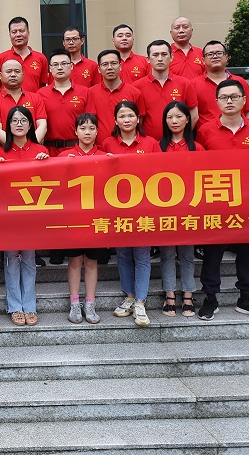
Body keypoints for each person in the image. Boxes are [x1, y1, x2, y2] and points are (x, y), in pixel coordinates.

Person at [196, 79, 249, 322]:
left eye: (234, 97)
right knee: (212, 252)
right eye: (224, 97)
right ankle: (210, 298)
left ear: (244, 100)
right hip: (216, 199)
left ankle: (246, 297)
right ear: (216, 102)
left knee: (248, 252)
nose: (229, 101)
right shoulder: (205, 130)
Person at [101, 101, 158, 327]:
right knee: (123, 254)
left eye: (131, 115)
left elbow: (161, 171)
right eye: (122, 116)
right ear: (115, 120)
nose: (126, 120)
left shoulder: (150, 143)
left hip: (144, 207)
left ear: (138, 119)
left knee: (142, 255)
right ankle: (130, 296)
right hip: (117, 208)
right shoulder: (107, 143)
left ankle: (141, 301)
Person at [0, 106, 43, 325]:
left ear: (31, 125)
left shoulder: (40, 151)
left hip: (32, 215)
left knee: (29, 260)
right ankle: (15, 306)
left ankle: (30, 305)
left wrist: (45, 164)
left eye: (24, 120)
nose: (19, 124)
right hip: (9, 216)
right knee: (11, 260)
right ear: (8, 126)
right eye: (14, 120)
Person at [62, 113, 109, 324]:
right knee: (74, 261)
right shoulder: (66, 156)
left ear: (97, 131)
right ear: (75, 131)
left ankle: (90, 303)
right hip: (74, 217)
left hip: (97, 217)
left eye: (91, 128)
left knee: (91, 262)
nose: (87, 132)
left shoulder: (105, 156)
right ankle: (74, 304)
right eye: (83, 128)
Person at [158, 101, 201, 317]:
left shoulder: (197, 147)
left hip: (189, 207)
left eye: (179, 116)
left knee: (187, 253)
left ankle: (188, 294)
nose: (174, 121)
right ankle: (169, 295)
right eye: (170, 117)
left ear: (187, 119)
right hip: (164, 207)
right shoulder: (158, 146)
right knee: (166, 253)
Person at [134, 40, 199, 141]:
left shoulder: (184, 84)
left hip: (178, 145)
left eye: (164, 54)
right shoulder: (137, 86)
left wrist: (181, 138)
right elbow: (137, 119)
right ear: (148, 59)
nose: (160, 59)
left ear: (171, 57)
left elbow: (194, 116)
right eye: (155, 55)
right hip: (149, 145)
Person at [190, 40, 249, 130]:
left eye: (219, 53)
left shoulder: (240, 82)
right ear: (203, 60)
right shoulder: (193, 85)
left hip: (239, 133)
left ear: (226, 57)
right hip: (207, 135)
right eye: (210, 54)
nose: (215, 56)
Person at [84, 49, 145, 145]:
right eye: (105, 64)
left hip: (127, 147)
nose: (109, 67)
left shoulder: (135, 92)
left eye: (114, 63)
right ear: (99, 69)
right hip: (100, 148)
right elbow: (90, 122)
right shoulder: (90, 93)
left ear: (120, 66)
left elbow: (139, 122)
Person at [38, 49, 89, 156]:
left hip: (77, 149)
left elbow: (91, 122)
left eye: (64, 64)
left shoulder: (85, 92)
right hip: (49, 151)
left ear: (71, 66)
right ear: (50, 69)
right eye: (55, 65)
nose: (60, 68)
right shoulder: (41, 94)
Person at [0, 59, 47, 146]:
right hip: (6, 150)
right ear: (0, 75)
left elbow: (42, 126)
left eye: (17, 71)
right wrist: (16, 147)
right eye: (9, 71)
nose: (13, 75)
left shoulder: (36, 98)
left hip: (33, 150)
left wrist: (30, 146)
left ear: (23, 75)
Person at [0, 16, 47, 93]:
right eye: (14, 32)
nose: (18, 35)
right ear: (10, 35)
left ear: (28, 33)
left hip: (33, 100)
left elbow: (43, 86)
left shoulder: (41, 58)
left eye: (22, 31)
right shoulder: (0, 58)